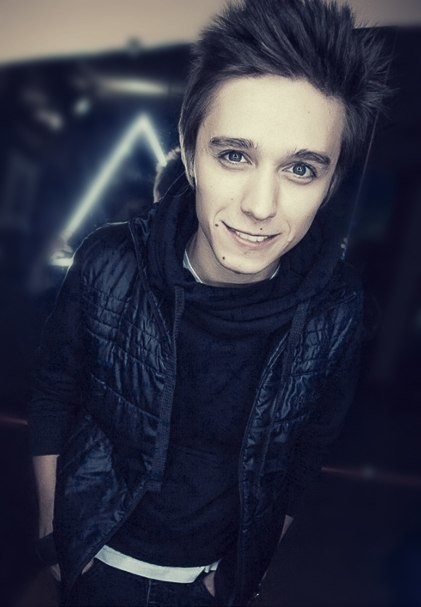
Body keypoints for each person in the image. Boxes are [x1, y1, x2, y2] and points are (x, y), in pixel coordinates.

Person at [29, 0, 389, 605]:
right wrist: (52, 535)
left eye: (301, 169)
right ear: (191, 151)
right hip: (93, 559)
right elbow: (53, 392)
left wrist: (251, 568)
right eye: (234, 155)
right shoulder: (109, 262)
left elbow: (307, 454)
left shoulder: (337, 311)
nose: (260, 205)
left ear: (330, 183)